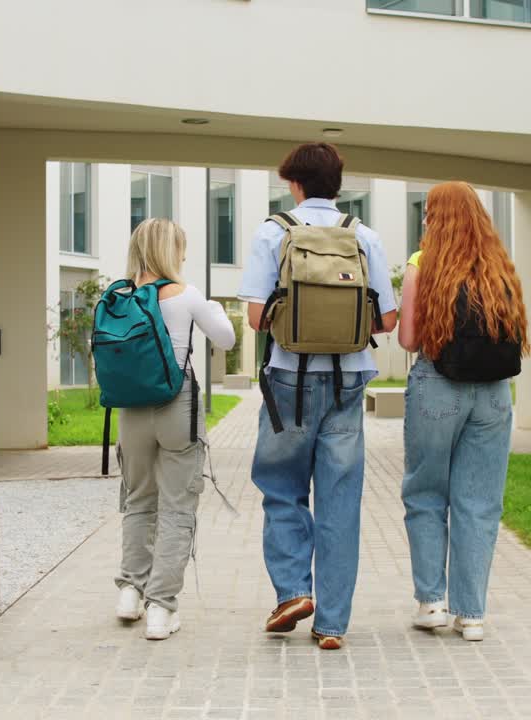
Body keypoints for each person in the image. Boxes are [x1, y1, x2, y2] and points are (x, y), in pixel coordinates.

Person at [237, 143, 397, 650]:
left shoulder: (274, 231)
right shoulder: (363, 235)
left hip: (289, 377)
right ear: (338, 182)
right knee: (340, 498)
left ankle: (292, 592)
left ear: (293, 182)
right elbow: (388, 321)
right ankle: (332, 624)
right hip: (349, 380)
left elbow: (258, 318)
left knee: (283, 487)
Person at [397, 181, 529, 642]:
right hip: (494, 395)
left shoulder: (422, 266)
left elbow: (410, 340)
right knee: (479, 503)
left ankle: (431, 602)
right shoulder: (500, 268)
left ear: (436, 218)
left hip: (438, 387)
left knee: (426, 494)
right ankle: (471, 614)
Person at [113, 218, 236, 641]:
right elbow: (227, 339)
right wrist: (214, 309)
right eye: (181, 248)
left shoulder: (120, 296)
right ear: (171, 251)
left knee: (137, 499)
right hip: (176, 406)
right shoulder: (187, 295)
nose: (184, 256)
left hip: (130, 407)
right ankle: (161, 609)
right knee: (178, 506)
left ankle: (129, 590)